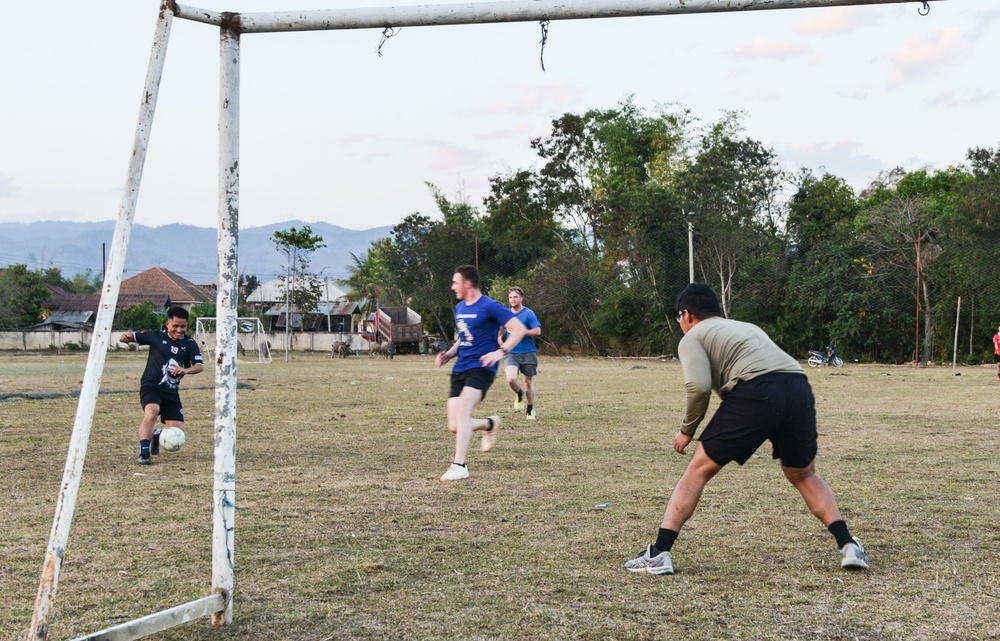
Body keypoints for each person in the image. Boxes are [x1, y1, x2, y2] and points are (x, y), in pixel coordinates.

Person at [624, 283, 869, 575]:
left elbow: (698, 386)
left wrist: (687, 430)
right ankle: (849, 545)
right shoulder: (745, 327)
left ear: (687, 314)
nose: (680, 324)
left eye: (679, 317)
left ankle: (660, 552)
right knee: (803, 473)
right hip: (798, 388)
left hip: (757, 391)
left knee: (698, 469)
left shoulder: (693, 337)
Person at [436, 266, 527, 481]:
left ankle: (459, 465)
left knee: (464, 411)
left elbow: (519, 329)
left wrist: (501, 351)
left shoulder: (489, 306)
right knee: (455, 425)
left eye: (455, 282)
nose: (452, 287)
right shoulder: (459, 307)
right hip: (460, 367)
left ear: (468, 284)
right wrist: (449, 354)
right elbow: (465, 335)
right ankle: (489, 424)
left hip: (483, 367)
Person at [119, 306, 204, 465]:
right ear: (167, 324)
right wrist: (127, 337)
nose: (179, 330)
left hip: (171, 392)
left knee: (178, 433)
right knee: (152, 412)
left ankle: (157, 435)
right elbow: (135, 336)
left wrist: (185, 370)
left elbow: (199, 366)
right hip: (151, 385)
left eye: (183, 326)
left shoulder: (190, 343)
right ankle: (144, 453)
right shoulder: (156, 336)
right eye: (175, 326)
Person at [499, 286, 542, 420]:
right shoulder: (506, 314)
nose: (513, 299)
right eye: (511, 297)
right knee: (511, 379)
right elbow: (500, 328)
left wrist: (522, 331)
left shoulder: (528, 313)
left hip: (528, 352)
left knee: (528, 382)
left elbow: (537, 331)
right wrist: (498, 337)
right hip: (511, 352)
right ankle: (519, 394)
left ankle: (530, 408)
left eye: (515, 297)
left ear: (521, 298)